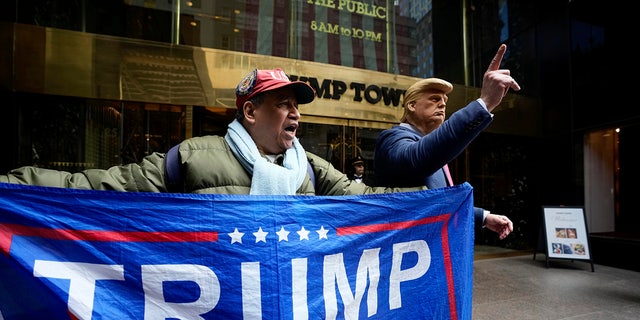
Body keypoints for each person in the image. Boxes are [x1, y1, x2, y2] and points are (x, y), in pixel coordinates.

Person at [1, 68, 425, 197]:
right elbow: (99, 186)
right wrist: (10, 186)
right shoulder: (192, 156)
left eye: (298, 106)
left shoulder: (311, 170)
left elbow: (374, 202)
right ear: (251, 112)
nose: (296, 115)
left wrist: (467, 211)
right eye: (284, 105)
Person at [374, 44, 517, 240]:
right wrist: (484, 103)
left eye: (444, 101)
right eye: (434, 99)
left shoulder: (429, 146)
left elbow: (438, 201)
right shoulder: (392, 139)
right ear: (412, 105)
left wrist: (484, 217)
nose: (442, 103)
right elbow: (416, 159)